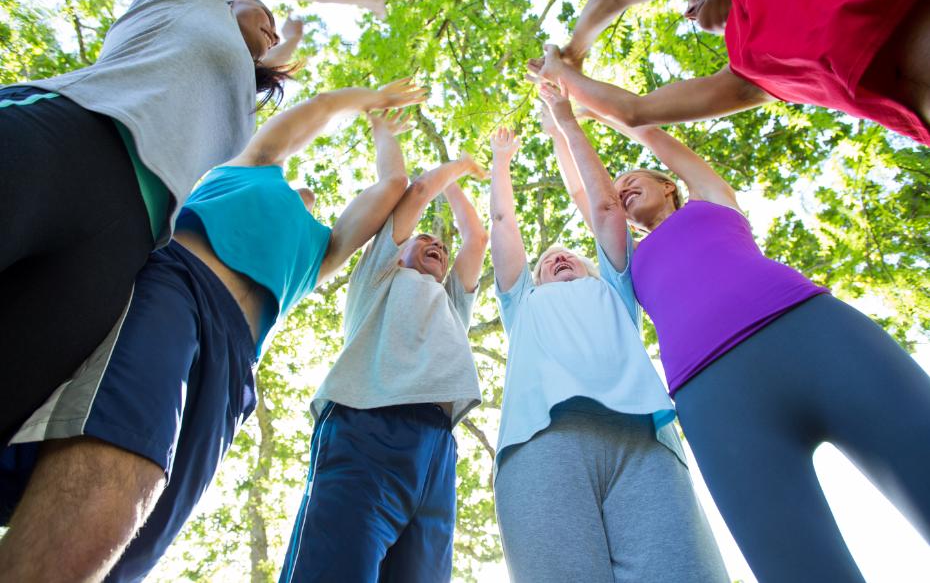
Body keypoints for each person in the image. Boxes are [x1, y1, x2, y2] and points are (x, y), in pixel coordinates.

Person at [0, 78, 426, 582]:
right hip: (177, 286)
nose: (308, 192)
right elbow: (322, 105)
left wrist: (383, 131)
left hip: (236, 360)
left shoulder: (321, 250)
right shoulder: (252, 166)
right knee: (123, 448)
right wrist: (367, 99)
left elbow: (391, 187)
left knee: (146, 529)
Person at [539, 81, 930, 583]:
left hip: (815, 336)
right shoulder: (625, 257)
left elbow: (653, 134)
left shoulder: (713, 199)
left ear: (669, 186)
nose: (621, 186)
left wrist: (597, 107)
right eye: (615, 187)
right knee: (798, 569)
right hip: (716, 398)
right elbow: (588, 196)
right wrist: (562, 121)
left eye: (633, 176)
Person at [0, 0, 386, 443]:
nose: (268, 25)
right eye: (262, 11)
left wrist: (287, 40)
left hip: (129, 231)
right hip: (73, 135)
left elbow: (263, 62)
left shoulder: (241, 90)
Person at [488, 124, 728, 583]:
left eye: (571, 255)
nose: (557, 258)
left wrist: (559, 120)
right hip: (542, 443)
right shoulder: (522, 303)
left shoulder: (615, 289)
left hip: (643, 443)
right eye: (545, 261)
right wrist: (501, 160)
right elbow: (503, 223)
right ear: (531, 279)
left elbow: (603, 209)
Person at [278, 152, 489, 583]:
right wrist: (458, 166)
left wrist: (457, 188)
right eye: (426, 238)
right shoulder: (378, 278)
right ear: (396, 251)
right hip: (367, 426)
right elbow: (418, 192)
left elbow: (477, 240)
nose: (439, 247)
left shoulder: (451, 306)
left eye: (443, 248)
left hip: (436, 449)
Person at [530, 0, 930, 146]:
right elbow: (637, 111)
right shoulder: (750, 74)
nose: (689, 10)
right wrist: (565, 78)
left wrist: (573, 51)